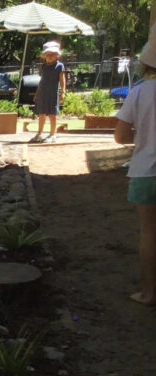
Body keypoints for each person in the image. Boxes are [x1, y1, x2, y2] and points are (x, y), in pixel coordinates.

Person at [115, 24, 156, 305]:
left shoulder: (140, 92)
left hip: (146, 171)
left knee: (149, 232)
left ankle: (149, 292)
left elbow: (120, 136)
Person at [30, 41, 66, 144]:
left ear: (57, 55)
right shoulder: (44, 66)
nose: (50, 56)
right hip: (42, 93)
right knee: (41, 114)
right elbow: (41, 81)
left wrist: (63, 92)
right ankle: (39, 133)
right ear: (45, 55)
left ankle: (52, 134)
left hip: (53, 94)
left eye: (52, 54)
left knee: (52, 115)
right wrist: (37, 93)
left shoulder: (59, 66)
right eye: (48, 54)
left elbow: (62, 80)